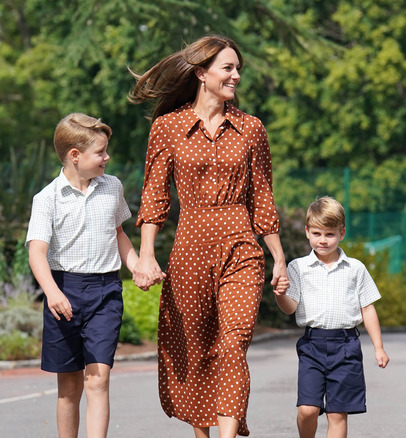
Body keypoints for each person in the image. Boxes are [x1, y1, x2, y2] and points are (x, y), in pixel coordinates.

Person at [128, 35, 288, 438]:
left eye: (238, 69)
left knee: (233, 345)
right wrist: (146, 255)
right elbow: (155, 196)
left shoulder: (252, 129)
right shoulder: (168, 128)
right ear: (201, 73)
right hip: (190, 248)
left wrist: (279, 257)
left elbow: (263, 197)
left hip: (241, 248)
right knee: (196, 349)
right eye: (228, 68)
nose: (236, 76)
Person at [26, 113, 139, 438]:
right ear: (75, 155)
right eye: (100, 152)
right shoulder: (47, 199)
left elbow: (118, 233)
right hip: (64, 291)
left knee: (98, 378)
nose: (107, 157)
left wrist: (136, 266)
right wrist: (52, 292)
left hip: (105, 292)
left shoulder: (112, 186)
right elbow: (37, 252)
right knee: (70, 386)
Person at [273, 196, 389, 438]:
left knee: (338, 413)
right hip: (312, 346)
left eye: (329, 234)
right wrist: (280, 294)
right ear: (307, 232)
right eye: (317, 233)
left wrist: (378, 347)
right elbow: (290, 308)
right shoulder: (297, 268)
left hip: (346, 347)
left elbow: (367, 308)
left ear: (341, 233)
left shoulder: (355, 268)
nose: (323, 240)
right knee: (307, 409)